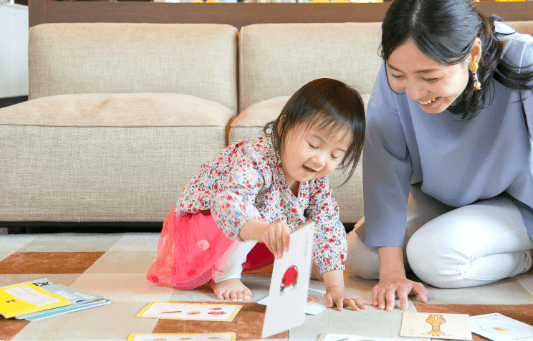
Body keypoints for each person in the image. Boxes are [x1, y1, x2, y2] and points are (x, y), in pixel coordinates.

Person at [346, 0, 533, 341]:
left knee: (433, 258)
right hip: (437, 199)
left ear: (473, 54)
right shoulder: (400, 70)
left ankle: (531, 254)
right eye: (399, 74)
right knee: (360, 259)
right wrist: (392, 274)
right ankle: (439, 245)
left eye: (430, 78)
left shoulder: (523, 56)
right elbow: (385, 166)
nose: (413, 92)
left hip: (514, 205)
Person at [147, 78, 369, 312]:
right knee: (250, 213)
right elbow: (230, 204)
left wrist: (335, 288)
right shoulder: (255, 157)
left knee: (312, 229)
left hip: (257, 233)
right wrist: (264, 229)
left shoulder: (316, 180)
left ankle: (254, 255)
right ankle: (224, 274)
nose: (320, 160)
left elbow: (328, 226)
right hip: (208, 226)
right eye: (314, 145)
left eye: (335, 156)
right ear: (284, 127)